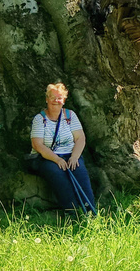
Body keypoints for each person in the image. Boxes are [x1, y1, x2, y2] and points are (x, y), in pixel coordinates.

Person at [25, 82, 96, 214]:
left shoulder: (70, 116)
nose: (55, 101)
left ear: (63, 100)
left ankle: (90, 211)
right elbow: (37, 144)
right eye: (52, 97)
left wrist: (74, 157)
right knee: (59, 177)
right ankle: (72, 213)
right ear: (47, 99)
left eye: (59, 98)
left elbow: (80, 138)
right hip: (47, 158)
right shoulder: (39, 119)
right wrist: (57, 160)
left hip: (70, 154)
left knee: (80, 174)